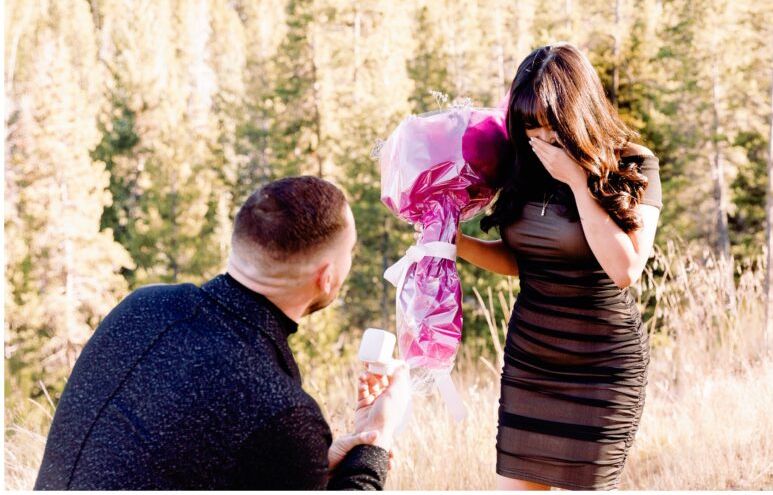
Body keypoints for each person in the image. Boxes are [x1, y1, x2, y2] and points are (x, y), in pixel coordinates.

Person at [34, 176, 410, 490]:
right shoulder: (282, 414)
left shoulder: (141, 306)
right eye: (351, 250)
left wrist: (308, 464)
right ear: (326, 277)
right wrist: (376, 438)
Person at [456, 43, 662, 491]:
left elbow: (624, 269)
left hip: (602, 365)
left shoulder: (633, 164)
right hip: (533, 359)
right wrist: (456, 243)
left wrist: (578, 182)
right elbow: (522, 262)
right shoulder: (520, 164)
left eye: (551, 126)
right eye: (530, 126)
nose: (541, 139)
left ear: (578, 112)